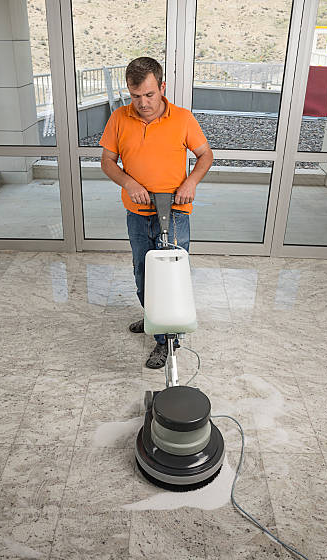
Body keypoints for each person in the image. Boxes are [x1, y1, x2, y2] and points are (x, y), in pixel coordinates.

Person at [100, 56, 213, 368]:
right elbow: (107, 161)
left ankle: (168, 342)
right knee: (143, 273)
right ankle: (153, 319)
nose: (142, 103)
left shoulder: (183, 118)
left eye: (149, 95)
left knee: (170, 276)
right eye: (135, 96)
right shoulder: (119, 118)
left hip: (174, 211)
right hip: (137, 213)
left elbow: (205, 155)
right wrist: (128, 182)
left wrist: (191, 182)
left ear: (162, 88)